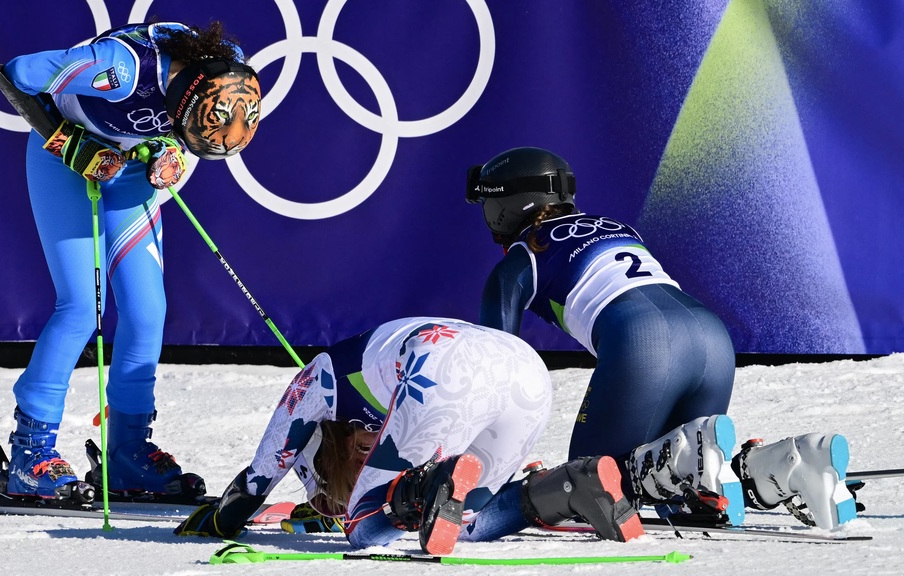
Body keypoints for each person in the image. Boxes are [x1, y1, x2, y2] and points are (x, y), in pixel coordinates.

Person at [465, 146, 858, 530]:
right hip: (711, 338)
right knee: (682, 483)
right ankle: (791, 462)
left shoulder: (520, 259)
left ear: (506, 206)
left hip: (642, 342)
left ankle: (693, 460)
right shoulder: (616, 226)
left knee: (588, 485)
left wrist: (476, 482)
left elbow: (498, 373)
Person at [0, 20, 262, 502]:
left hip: (129, 168)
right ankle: (29, 454)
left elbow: (188, 129)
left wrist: (170, 149)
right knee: (81, 308)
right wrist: (67, 142)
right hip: (65, 164)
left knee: (146, 312)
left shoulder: (227, 69)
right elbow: (14, 74)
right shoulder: (119, 71)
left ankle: (126, 453)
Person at [174, 317, 645, 555]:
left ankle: (428, 483)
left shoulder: (319, 378)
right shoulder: (368, 400)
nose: (337, 498)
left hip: (442, 365)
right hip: (527, 372)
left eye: (327, 491)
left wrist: (220, 520)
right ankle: (571, 486)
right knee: (463, 523)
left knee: (365, 530)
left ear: (319, 454)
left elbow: (262, 471)